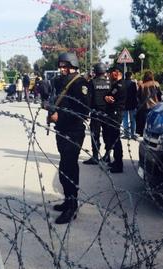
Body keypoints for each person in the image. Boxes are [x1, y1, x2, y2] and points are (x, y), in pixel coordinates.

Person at [48, 52, 90, 224]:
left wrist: (60, 117)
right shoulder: (60, 81)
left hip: (73, 131)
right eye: (60, 65)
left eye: (65, 66)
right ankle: (68, 200)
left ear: (73, 65)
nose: (61, 68)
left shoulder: (80, 83)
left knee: (68, 167)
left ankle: (72, 206)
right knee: (65, 167)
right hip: (62, 130)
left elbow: (82, 111)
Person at [83, 62, 110, 165]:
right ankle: (107, 155)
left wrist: (86, 112)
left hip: (95, 113)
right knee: (107, 134)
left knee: (95, 135)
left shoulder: (92, 83)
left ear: (95, 72)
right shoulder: (109, 83)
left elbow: (88, 98)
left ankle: (95, 156)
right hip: (107, 113)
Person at [104, 68, 126, 173]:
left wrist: (107, 97)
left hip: (116, 113)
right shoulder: (118, 84)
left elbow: (110, 96)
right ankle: (116, 161)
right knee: (113, 138)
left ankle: (118, 164)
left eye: (110, 74)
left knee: (115, 138)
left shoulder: (119, 85)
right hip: (115, 112)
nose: (108, 76)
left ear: (116, 73)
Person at [136, 71, 161, 136]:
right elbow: (160, 95)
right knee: (154, 121)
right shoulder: (156, 84)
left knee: (145, 122)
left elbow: (138, 97)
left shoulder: (142, 85)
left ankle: (145, 134)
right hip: (155, 106)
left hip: (145, 106)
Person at [122, 72, 138, 139]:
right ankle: (133, 134)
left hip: (124, 104)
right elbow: (136, 94)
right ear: (130, 76)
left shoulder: (122, 83)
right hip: (132, 103)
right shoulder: (133, 83)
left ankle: (126, 134)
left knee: (125, 119)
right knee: (133, 120)